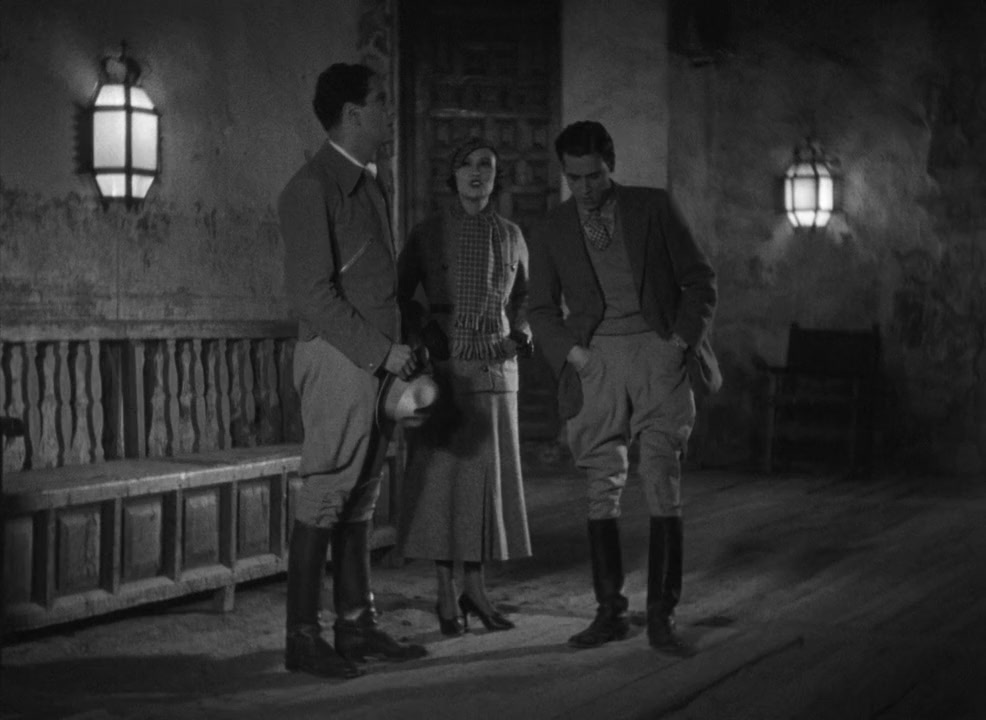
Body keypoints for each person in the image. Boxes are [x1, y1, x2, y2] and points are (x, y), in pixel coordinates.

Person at [527, 121, 720, 656]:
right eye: (574, 178)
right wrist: (575, 356)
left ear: (610, 165)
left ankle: (661, 615)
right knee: (600, 481)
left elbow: (700, 281)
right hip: (596, 360)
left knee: (661, 475)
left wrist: (678, 343)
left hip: (657, 351)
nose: (584, 188)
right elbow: (540, 309)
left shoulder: (652, 207)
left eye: (593, 176)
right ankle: (609, 612)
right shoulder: (553, 226)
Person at [278, 62, 428, 680]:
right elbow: (313, 296)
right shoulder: (310, 187)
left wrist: (402, 345)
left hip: (376, 358)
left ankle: (356, 626)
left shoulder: (370, 185)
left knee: (362, 493)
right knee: (327, 491)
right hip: (340, 356)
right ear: (352, 114)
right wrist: (381, 353)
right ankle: (302, 638)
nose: (390, 111)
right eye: (381, 101)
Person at [397, 137, 533, 637]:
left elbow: (525, 299)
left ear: (496, 177)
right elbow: (400, 294)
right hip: (446, 367)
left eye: (487, 166)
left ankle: (475, 589)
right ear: (452, 175)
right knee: (441, 484)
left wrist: (522, 334)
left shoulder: (512, 235)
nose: (477, 173)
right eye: (467, 165)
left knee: (484, 487)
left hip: (496, 368)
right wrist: (422, 331)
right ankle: (443, 591)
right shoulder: (428, 233)